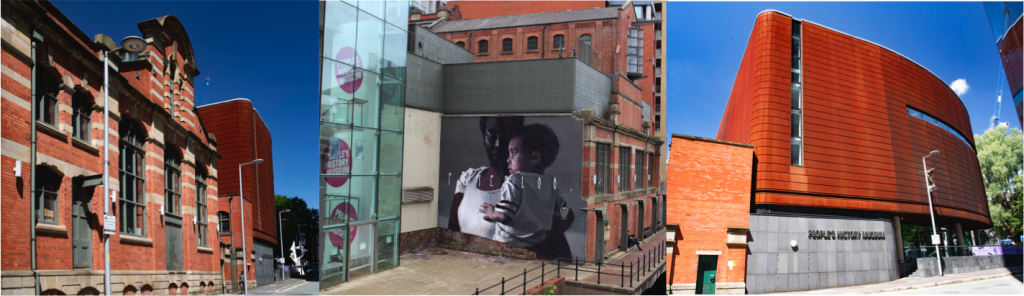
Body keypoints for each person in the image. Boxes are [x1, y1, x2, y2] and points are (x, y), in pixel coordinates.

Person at [481, 124, 574, 259]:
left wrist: (492, 213)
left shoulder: (514, 181)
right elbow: (566, 213)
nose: (508, 159)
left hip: (509, 247)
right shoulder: (549, 185)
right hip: (537, 246)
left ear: (534, 158)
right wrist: (549, 227)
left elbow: (505, 215)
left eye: (513, 153)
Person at [448, 117, 524, 238]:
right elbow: (452, 228)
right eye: (492, 136)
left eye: (504, 136)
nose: (498, 144)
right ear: (484, 138)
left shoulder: (523, 186)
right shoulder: (468, 178)